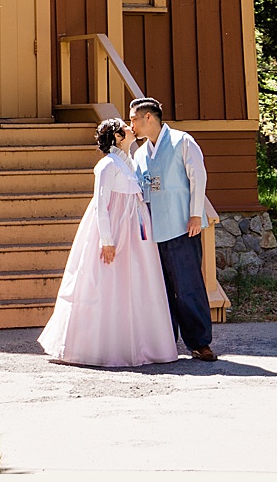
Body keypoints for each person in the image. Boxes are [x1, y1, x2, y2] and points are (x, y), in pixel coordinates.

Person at [36, 118, 180, 368]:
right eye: (125, 126)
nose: (130, 127)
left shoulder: (130, 163)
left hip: (135, 232)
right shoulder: (107, 165)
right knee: (108, 283)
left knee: (137, 281)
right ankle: (102, 345)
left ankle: (142, 344)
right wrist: (107, 240)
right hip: (116, 230)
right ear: (116, 137)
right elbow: (101, 204)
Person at [130, 95, 218, 361]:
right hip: (155, 231)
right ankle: (167, 342)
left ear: (149, 118)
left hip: (182, 226)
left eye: (134, 119)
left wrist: (194, 215)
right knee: (163, 289)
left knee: (188, 284)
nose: (131, 124)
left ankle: (199, 343)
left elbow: (197, 178)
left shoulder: (183, 141)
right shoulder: (141, 153)